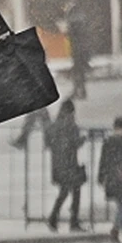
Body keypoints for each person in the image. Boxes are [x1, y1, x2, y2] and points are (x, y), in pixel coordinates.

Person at [44, 100, 87, 233]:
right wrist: (83, 139)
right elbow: (73, 143)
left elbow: (49, 142)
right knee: (75, 191)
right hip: (70, 164)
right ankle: (72, 221)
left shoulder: (54, 126)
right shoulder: (71, 125)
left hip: (58, 165)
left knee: (64, 191)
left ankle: (54, 218)